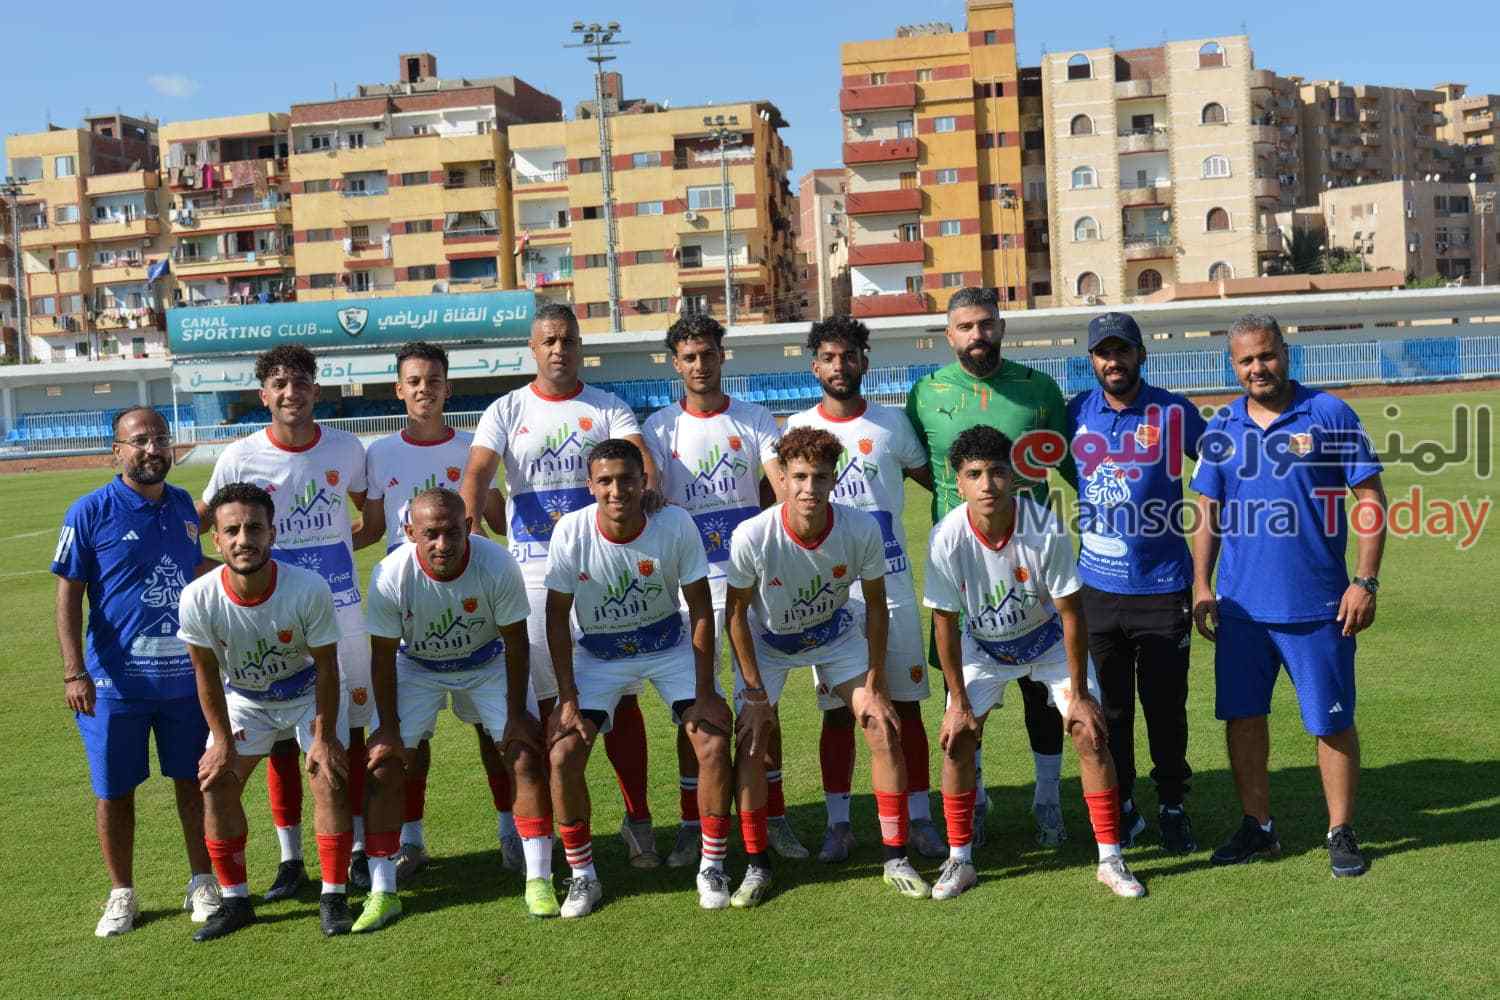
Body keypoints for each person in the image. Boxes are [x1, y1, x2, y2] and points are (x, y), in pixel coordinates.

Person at [460, 303, 664, 868]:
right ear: (533, 348)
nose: (559, 349)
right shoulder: (506, 409)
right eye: (548, 340)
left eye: (568, 340)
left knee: (621, 698)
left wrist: (646, 497)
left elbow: (640, 461)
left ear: (580, 346)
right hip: (532, 571)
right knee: (548, 703)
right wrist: (471, 527)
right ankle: (549, 829)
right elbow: (477, 472)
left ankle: (638, 820)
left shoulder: (607, 406)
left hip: (602, 568)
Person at [1190, 314, 1385, 878]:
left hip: (1319, 606)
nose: (1259, 368)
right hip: (1241, 611)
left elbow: (1370, 498)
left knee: (1331, 721)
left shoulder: (1329, 413)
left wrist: (1364, 580)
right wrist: (1202, 584)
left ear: (1285, 352)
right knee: (1243, 718)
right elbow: (1207, 511)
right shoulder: (1222, 427)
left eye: (1267, 355)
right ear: (1233, 366)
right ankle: (1258, 827)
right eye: (1247, 360)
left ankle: (1340, 831)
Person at [923, 427, 1145, 901]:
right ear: (957, 482)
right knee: (956, 739)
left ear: (1014, 476)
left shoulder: (1044, 528)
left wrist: (1079, 696)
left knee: (1090, 732)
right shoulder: (946, 537)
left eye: (997, 472)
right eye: (974, 474)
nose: (987, 485)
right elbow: (944, 623)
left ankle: (1110, 859)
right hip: (983, 648)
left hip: (1047, 644)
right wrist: (957, 701)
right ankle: (960, 859)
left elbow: (1071, 612)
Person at [180, 484, 400, 939]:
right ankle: (236, 900)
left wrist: (325, 736)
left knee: (328, 776)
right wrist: (221, 742)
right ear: (216, 540)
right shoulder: (198, 596)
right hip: (246, 699)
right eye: (232, 531)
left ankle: (333, 896)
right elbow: (205, 673)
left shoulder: (307, 587)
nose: (244, 539)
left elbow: (326, 667)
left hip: (307, 694)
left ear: (273, 533)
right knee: (216, 782)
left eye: (254, 528)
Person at [200, 344, 380, 899]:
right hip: (268, 614)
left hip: (341, 609)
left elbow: (371, 521)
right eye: (279, 384)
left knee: (344, 731)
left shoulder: (347, 448)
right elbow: (206, 523)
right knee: (280, 737)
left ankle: (353, 849)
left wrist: (330, 561)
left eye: (300, 382)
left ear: (315, 390)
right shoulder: (239, 457)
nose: (290, 393)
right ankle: (290, 858)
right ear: (264, 395)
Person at [725, 427, 930, 907]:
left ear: (834, 479)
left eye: (819, 477)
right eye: (799, 477)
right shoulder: (753, 535)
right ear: (782, 477)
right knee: (752, 739)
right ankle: (756, 865)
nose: (809, 489)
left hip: (835, 636)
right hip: (769, 645)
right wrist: (754, 693)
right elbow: (735, 615)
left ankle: (896, 857)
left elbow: (875, 606)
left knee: (881, 725)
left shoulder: (860, 529)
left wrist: (875, 681)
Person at [905, 286, 1078, 847]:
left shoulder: (1039, 389)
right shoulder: (924, 393)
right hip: (963, 569)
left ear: (1001, 326)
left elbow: (1071, 464)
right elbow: (922, 466)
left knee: (1042, 696)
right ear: (948, 335)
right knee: (964, 697)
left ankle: (1047, 799)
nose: (976, 335)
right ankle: (975, 802)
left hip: (1032, 563)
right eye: (965, 326)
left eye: (985, 324)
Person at [543, 440, 733, 916]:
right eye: (605, 481)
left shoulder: (674, 523)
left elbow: (700, 607)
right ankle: (583, 876)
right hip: (600, 655)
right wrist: (567, 697)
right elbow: (556, 617)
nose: (617, 490)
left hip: (668, 645)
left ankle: (712, 866)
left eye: (626, 479)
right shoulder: (571, 530)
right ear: (590, 486)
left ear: (643, 481)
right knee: (564, 753)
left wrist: (705, 692)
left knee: (712, 740)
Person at [52, 406, 218, 937]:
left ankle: (202, 881)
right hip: (113, 684)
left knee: (194, 782)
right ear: (117, 451)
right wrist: (74, 672)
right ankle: (121, 892)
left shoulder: (184, 507)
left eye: (159, 439)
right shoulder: (89, 511)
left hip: (183, 681)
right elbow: (68, 595)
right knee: (114, 791)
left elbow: (194, 570)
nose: (152, 449)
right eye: (139, 440)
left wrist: (248, 570)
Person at [785, 316, 943, 863]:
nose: (839, 366)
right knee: (837, 713)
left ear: (864, 362)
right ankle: (839, 824)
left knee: (907, 707)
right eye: (829, 357)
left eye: (849, 356)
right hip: (829, 597)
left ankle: (919, 818)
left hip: (891, 588)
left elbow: (939, 485)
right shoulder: (800, 428)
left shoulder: (892, 424)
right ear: (814, 366)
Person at [358, 341, 516, 879]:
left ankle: (510, 832)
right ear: (398, 390)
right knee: (410, 739)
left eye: (433, 380)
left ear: (449, 388)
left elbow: (498, 521)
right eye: (414, 381)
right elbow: (373, 529)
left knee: (494, 732)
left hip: (472, 609)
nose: (424, 389)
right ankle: (412, 842)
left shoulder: (474, 448)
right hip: (407, 611)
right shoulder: (380, 453)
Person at [640, 313, 793, 867]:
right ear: (675, 365)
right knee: (696, 712)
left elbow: (779, 488)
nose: (700, 364)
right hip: (690, 589)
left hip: (752, 584)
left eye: (708, 354)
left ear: (722, 356)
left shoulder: (753, 418)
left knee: (760, 703)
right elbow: (652, 497)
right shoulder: (659, 428)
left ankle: (774, 817)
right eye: (689, 357)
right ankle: (692, 825)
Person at [365, 489, 555, 918]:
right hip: (417, 666)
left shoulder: (497, 563)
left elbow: (516, 643)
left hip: (487, 660)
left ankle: (538, 878)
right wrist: (388, 729)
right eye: (430, 534)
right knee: (383, 763)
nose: (442, 544)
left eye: (452, 532)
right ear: (409, 532)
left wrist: (515, 717)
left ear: (468, 526)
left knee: (524, 752)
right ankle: (383, 890)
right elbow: (382, 657)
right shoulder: (389, 574)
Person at [1065, 313, 1208, 853]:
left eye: (1122, 350)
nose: (1113, 361)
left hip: (1163, 587)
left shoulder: (1172, 411)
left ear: (1141, 354)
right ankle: (1122, 804)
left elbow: (1217, 467)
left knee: (1165, 707)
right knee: (1112, 709)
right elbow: (1066, 473)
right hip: (1096, 590)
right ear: (1092, 360)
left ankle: (1172, 805)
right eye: (1103, 352)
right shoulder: (1075, 412)